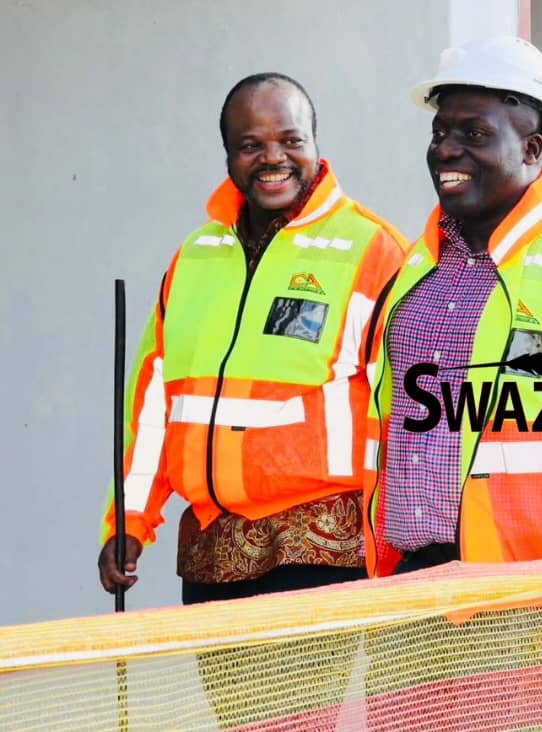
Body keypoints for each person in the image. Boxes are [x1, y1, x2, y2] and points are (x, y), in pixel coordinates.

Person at [96, 73, 406, 604]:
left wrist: (399, 548)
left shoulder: (372, 251)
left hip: (322, 549)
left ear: (314, 142)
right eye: (250, 145)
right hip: (211, 550)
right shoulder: (195, 255)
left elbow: (399, 408)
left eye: (290, 140)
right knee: (225, 694)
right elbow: (153, 403)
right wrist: (128, 518)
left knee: (308, 694)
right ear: (228, 156)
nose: (273, 158)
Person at [363, 36, 542, 576]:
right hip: (405, 584)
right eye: (440, 132)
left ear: (532, 150)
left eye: (474, 134)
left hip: (527, 597)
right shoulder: (415, 270)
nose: (446, 149)